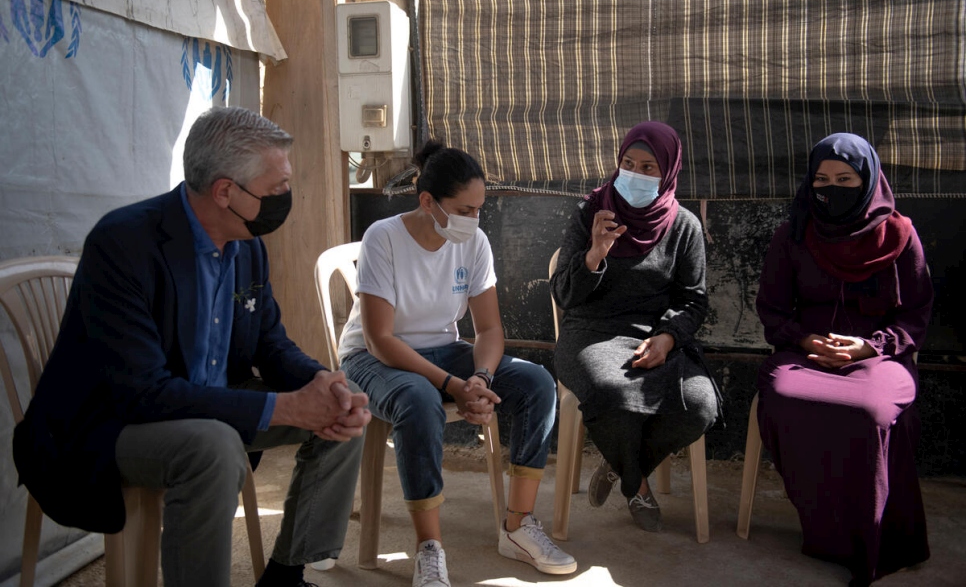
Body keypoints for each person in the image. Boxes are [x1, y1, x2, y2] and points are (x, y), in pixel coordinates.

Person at [12, 107, 372, 587]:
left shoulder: (247, 242)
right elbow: (142, 393)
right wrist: (284, 408)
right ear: (225, 191)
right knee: (215, 447)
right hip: (106, 424)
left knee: (340, 413)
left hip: (202, 398)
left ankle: (287, 576)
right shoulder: (123, 243)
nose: (287, 197)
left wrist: (319, 383)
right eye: (276, 188)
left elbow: (269, 341)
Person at [338, 141, 576, 587]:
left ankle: (518, 526)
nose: (474, 220)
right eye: (464, 210)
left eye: (479, 209)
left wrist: (480, 377)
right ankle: (430, 549)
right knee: (418, 399)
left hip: (444, 350)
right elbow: (380, 338)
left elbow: (488, 331)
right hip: (371, 359)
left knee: (538, 383)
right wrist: (453, 383)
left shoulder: (474, 243)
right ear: (427, 201)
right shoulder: (383, 238)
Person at [755, 132, 933, 585]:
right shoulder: (794, 234)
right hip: (806, 352)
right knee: (781, 394)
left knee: (868, 411)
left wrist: (870, 346)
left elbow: (915, 315)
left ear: (869, 180)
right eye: (821, 179)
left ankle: (867, 542)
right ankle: (824, 532)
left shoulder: (900, 236)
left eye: (845, 179)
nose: (831, 189)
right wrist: (807, 340)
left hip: (881, 357)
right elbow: (773, 309)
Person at [550, 121, 719, 532]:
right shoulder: (591, 211)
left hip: (655, 336)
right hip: (590, 332)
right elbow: (563, 295)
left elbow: (693, 300)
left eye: (648, 167)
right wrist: (594, 255)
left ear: (668, 171)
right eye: (628, 163)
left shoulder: (683, 226)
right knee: (612, 392)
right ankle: (637, 484)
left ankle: (621, 462)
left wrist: (668, 337)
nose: (635, 175)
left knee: (700, 405)